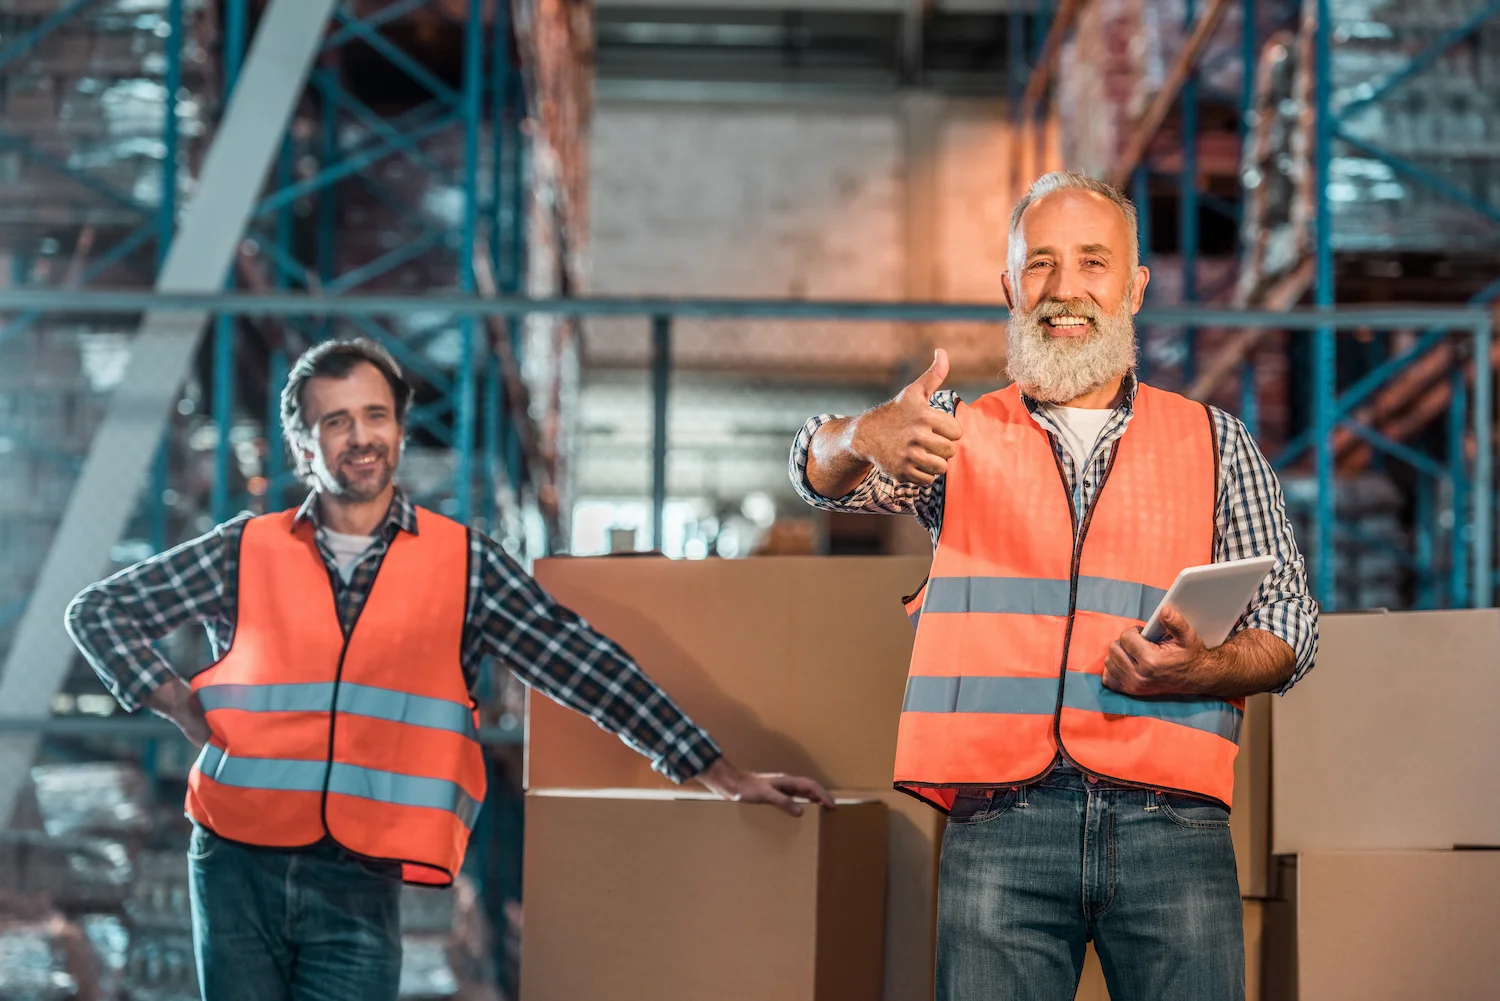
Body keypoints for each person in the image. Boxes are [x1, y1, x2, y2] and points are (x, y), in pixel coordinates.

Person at [67, 337, 833, 1001]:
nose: (359, 437)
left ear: (399, 430)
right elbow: (97, 613)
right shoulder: (244, 548)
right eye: (334, 421)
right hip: (232, 860)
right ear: (303, 446)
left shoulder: (464, 565)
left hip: (359, 876)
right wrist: (174, 702)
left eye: (374, 416)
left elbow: (582, 664)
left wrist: (718, 770)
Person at [790, 171, 1318, 1001]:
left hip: (1171, 824)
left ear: (1136, 286)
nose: (1065, 290)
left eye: (1093, 262)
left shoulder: (1216, 441)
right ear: (1008, 285)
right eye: (1040, 264)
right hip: (1002, 825)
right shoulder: (951, 434)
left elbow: (1292, 624)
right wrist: (863, 434)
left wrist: (1202, 669)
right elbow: (818, 475)